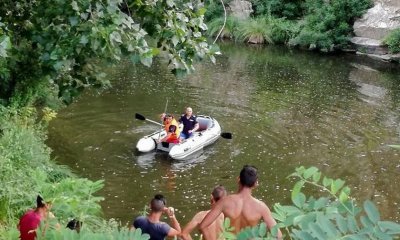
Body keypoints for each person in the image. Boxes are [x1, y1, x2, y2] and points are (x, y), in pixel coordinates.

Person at [199, 165, 282, 239]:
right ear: (255, 184)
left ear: (238, 179)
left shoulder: (224, 202)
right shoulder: (261, 207)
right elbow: (278, 235)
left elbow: (203, 226)